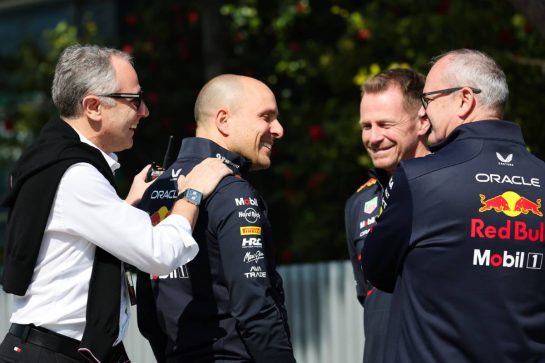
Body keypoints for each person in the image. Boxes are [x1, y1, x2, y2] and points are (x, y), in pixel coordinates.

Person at [0, 44, 232, 363]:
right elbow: (159, 253)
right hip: (57, 354)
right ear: (94, 106)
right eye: (134, 100)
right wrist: (192, 194)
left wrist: (127, 204)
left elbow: (80, 241)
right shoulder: (76, 176)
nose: (144, 112)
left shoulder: (53, 158)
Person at [362, 49, 545, 362]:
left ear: (464, 99)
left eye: (429, 99)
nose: (425, 113)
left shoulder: (420, 178)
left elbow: (377, 270)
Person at [135, 74, 296, 363]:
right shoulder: (230, 190)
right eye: (266, 117)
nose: (279, 129)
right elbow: (256, 308)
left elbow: (148, 315)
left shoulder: (153, 191)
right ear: (224, 120)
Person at [344, 68, 429, 363]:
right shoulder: (358, 203)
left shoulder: (453, 189)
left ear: (422, 121)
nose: (373, 137)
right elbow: (368, 295)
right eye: (366, 126)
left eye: (385, 124)